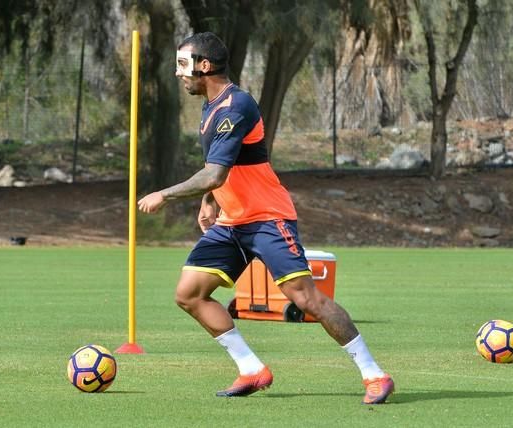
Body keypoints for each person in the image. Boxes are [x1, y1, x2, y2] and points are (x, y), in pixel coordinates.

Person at [137, 32, 394, 404]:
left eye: (183, 64)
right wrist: (210, 201)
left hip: (267, 219)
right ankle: (251, 369)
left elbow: (215, 173)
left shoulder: (234, 106)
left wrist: (166, 193)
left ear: (204, 66)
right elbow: (222, 169)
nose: (179, 73)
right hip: (231, 223)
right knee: (189, 294)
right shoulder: (213, 107)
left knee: (307, 301)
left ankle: (375, 375)